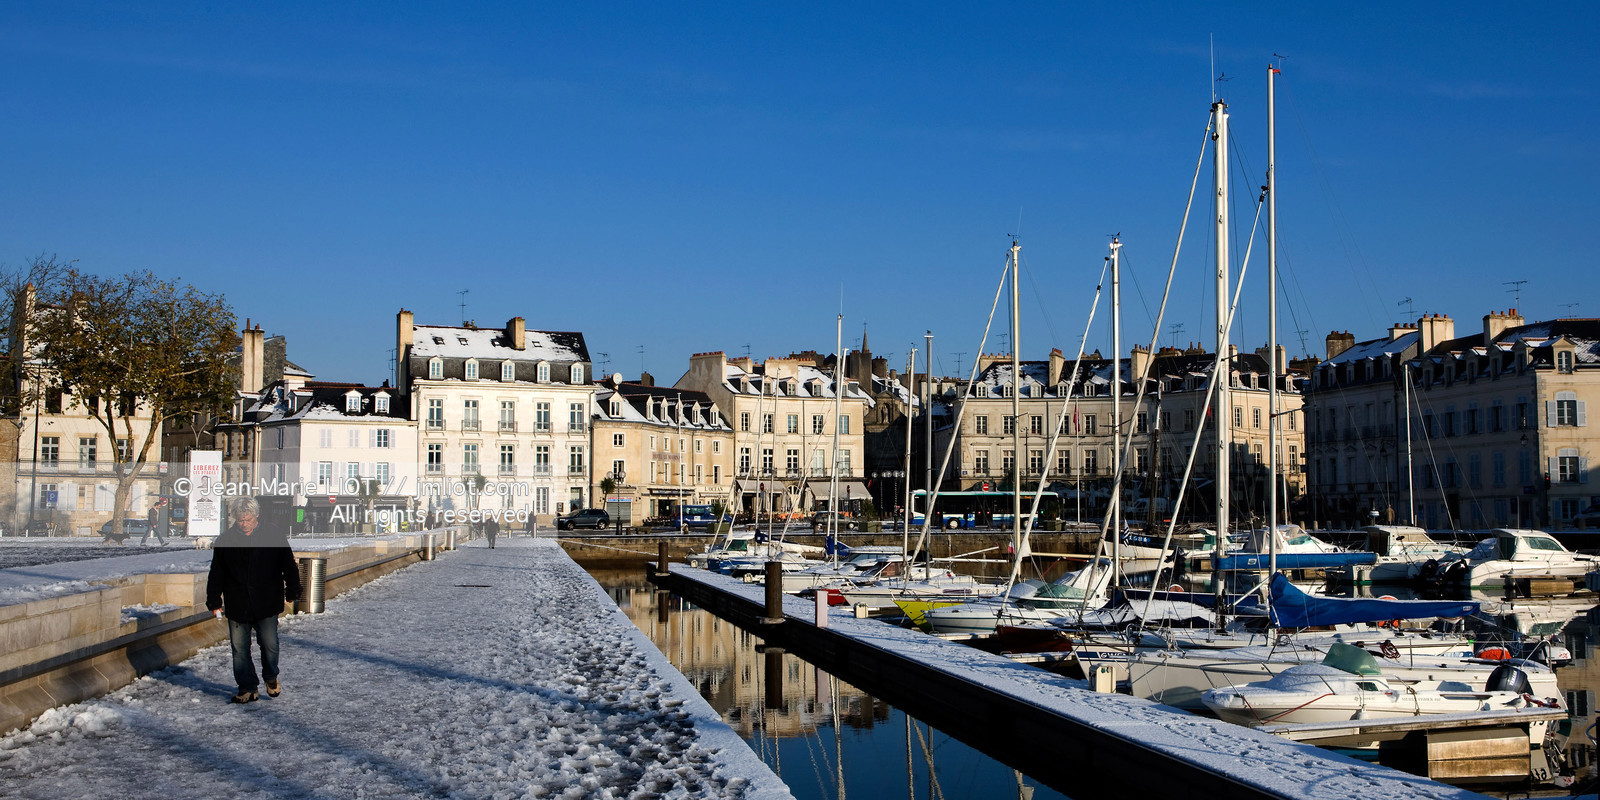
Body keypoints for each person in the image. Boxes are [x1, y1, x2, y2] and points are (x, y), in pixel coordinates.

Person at [206, 496, 301, 704]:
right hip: (237, 602)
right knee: (239, 649)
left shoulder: (273, 535)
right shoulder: (225, 540)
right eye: (240, 520)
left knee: (269, 644)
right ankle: (247, 687)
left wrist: (293, 589)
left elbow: (288, 564)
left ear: (256, 516)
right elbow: (216, 573)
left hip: (266, 601)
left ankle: (270, 676)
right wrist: (214, 600)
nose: (244, 524)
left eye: (248, 519)